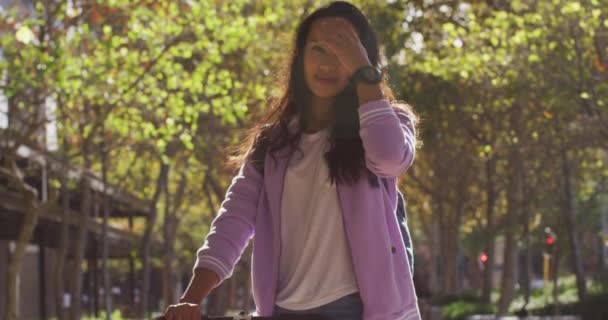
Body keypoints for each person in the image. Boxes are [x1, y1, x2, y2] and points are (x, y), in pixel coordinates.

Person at [164, 1, 420, 319]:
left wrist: (364, 75)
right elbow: (234, 220)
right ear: (300, 58)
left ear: (361, 58)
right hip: (283, 309)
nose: (328, 63)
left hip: (356, 309)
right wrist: (191, 298)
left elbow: (390, 157)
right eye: (319, 49)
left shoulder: (388, 122)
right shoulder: (272, 144)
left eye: (343, 51)